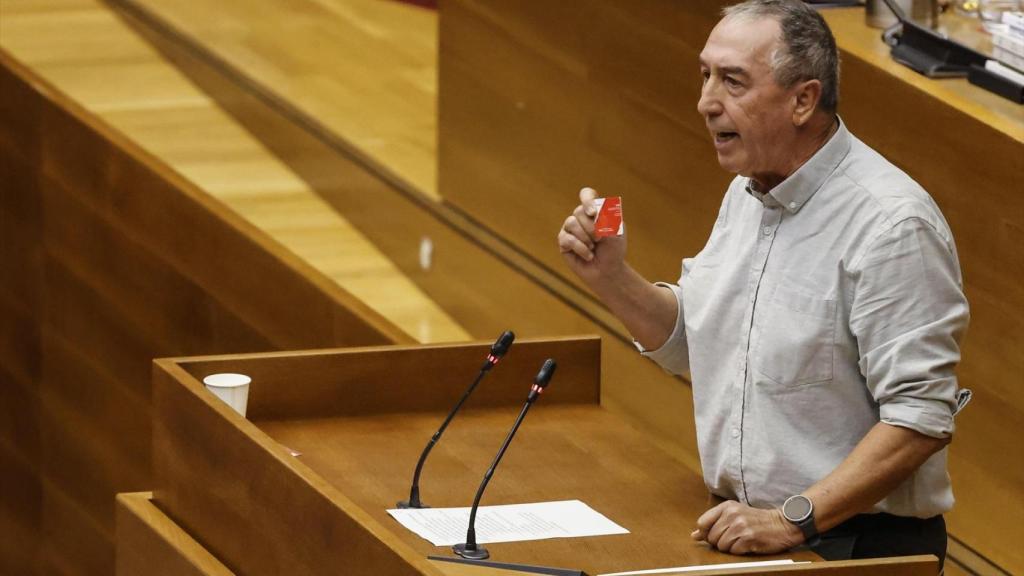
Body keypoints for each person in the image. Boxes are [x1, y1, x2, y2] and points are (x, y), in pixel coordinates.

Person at [557, 0, 969, 567]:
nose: (706, 102)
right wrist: (611, 277)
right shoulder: (749, 192)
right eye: (705, 75)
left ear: (803, 100)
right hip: (749, 536)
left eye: (733, 81)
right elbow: (696, 343)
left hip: (853, 551)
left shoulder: (892, 226)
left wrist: (791, 519)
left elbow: (920, 419)